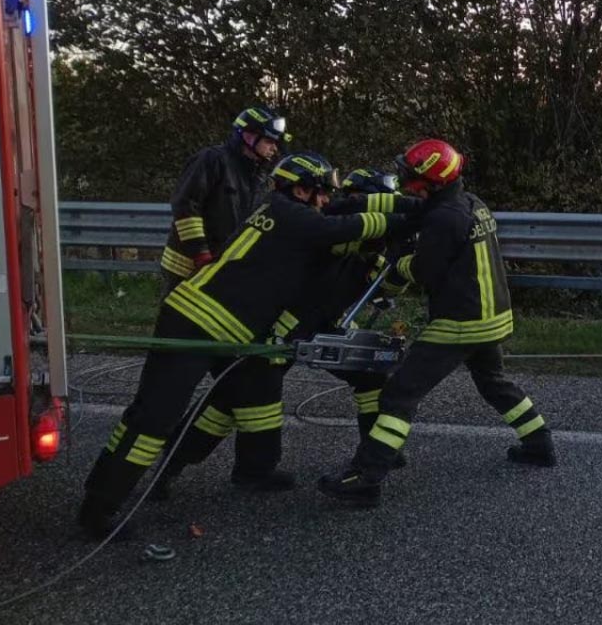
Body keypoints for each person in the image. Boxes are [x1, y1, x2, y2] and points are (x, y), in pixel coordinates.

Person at [78, 153, 416, 538]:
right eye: (322, 194)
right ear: (302, 190)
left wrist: (414, 208)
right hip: (196, 323)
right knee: (154, 417)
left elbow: (351, 210)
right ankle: (99, 509)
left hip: (227, 330)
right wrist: (409, 219)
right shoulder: (295, 218)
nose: (327, 201)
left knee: (237, 401)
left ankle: (246, 470)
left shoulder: (292, 211)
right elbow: (350, 222)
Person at [149, 168, 423, 501]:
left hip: (324, 324)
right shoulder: (329, 226)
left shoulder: (371, 245)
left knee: (370, 375)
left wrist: (404, 255)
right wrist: (398, 222)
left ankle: (377, 451)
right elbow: (346, 235)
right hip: (280, 328)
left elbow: (385, 288)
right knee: (231, 402)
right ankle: (172, 469)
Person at [318, 139, 557, 507]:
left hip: (461, 322)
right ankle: (539, 443)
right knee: (494, 382)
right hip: (493, 317)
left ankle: (366, 476)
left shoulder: (444, 218)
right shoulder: (469, 203)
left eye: (412, 177)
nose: (406, 181)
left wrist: (395, 268)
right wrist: (350, 204)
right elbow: (409, 207)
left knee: (400, 393)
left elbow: (426, 270)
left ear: (434, 182)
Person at [161, 106, 289, 292]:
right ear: (249, 136)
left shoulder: (259, 177)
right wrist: (200, 252)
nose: (274, 148)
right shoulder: (212, 160)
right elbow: (185, 206)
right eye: (270, 141)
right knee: (176, 319)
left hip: (220, 267)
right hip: (186, 266)